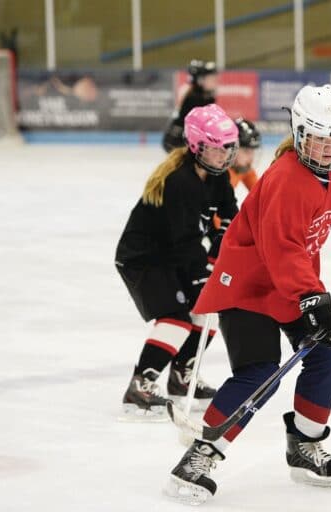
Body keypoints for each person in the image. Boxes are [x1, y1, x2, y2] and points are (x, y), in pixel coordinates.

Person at [164, 84, 331, 504]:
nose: (328, 149)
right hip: (247, 286)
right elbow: (283, 249)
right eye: (319, 138)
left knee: (329, 354)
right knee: (259, 372)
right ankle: (200, 455)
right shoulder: (286, 179)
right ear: (300, 133)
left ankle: (304, 445)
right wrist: (311, 296)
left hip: (290, 286)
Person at [116, 104, 240, 420]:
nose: (225, 155)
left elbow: (231, 216)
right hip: (144, 258)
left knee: (207, 311)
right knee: (177, 319)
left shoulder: (217, 177)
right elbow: (184, 241)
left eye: (228, 147)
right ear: (197, 146)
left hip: (172, 256)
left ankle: (182, 378)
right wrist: (202, 275)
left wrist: (221, 246)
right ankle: (139, 388)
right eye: (217, 148)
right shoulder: (179, 181)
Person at [162, 60, 218, 153]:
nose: (215, 82)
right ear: (200, 80)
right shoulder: (195, 99)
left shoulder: (203, 97)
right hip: (176, 142)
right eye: (211, 79)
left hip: (179, 140)